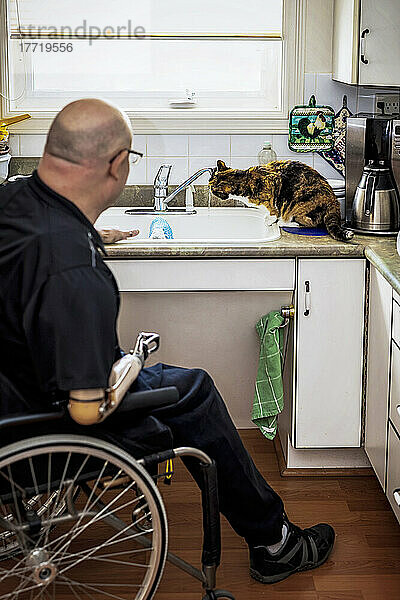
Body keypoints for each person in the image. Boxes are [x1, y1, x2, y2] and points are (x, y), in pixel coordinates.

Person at [0, 99, 335, 584]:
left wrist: (87, 232)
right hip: (49, 426)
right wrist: (133, 362)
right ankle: (275, 543)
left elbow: (37, 245)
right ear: (117, 166)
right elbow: (87, 410)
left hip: (13, 390)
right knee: (194, 390)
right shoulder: (76, 272)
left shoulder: (14, 203)